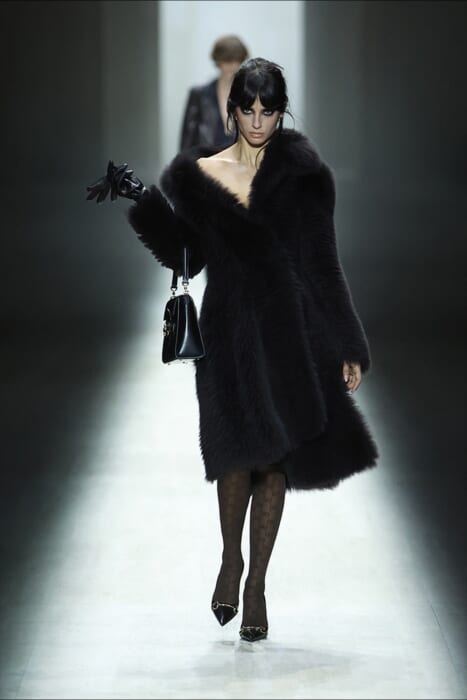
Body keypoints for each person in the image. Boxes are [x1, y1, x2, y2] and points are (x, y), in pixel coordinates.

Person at [87, 57, 379, 643]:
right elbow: (186, 256)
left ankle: (256, 585)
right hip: (225, 333)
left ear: (282, 111)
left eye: (268, 110)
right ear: (232, 110)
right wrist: (142, 196)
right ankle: (230, 558)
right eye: (248, 109)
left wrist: (348, 343)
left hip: (287, 335)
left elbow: (323, 264)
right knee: (233, 452)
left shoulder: (305, 179)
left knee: (273, 460)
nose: (258, 120)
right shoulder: (203, 176)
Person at [179, 34, 249, 151]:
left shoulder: (248, 95)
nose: (231, 65)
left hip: (240, 161)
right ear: (218, 60)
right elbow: (187, 143)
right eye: (227, 60)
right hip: (205, 161)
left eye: (236, 60)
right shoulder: (199, 96)